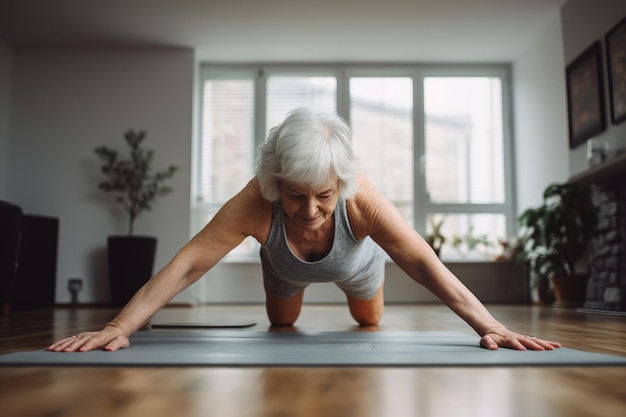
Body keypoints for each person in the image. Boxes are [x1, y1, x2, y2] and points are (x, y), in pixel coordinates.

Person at [48, 108, 561, 353]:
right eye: (296, 195)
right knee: (282, 328)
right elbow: (189, 263)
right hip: (284, 273)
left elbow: (424, 263)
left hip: (359, 271)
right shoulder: (255, 199)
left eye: (324, 196)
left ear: (342, 185)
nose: (311, 210)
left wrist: (488, 324)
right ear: (276, 182)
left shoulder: (363, 200)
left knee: (368, 323)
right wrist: (120, 326)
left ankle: (365, 298)